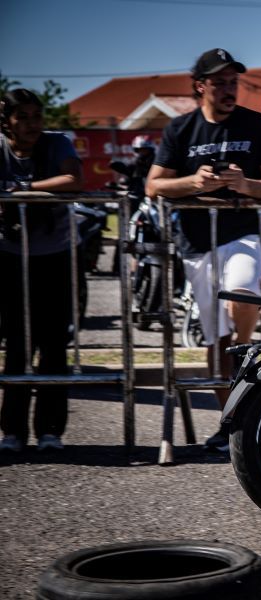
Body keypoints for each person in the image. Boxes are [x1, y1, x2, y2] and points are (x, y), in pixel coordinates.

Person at [146, 48, 261, 451]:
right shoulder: (180, 129)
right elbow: (154, 185)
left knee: (242, 293)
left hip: (241, 234)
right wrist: (194, 183)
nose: (228, 89)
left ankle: (243, 349)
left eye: (233, 82)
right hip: (196, 242)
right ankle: (232, 426)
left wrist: (246, 185)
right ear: (200, 86)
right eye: (220, 82)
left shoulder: (256, 125)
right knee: (213, 337)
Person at [0, 88, 83, 452]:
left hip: (56, 254)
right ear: (7, 121)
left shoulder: (57, 143)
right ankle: (12, 432)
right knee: (17, 343)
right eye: (23, 117)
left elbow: (73, 180)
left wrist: (23, 190)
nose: (32, 124)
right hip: (10, 256)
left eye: (37, 116)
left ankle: (51, 430)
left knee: (54, 344)